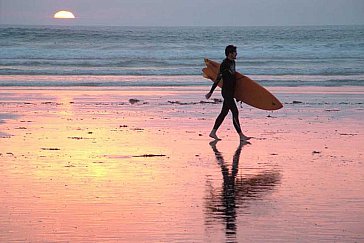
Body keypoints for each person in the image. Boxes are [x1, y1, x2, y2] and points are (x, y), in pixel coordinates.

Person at [205, 45, 250, 141]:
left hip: (231, 92)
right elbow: (218, 78)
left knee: (223, 113)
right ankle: (241, 135)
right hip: (226, 92)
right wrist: (210, 92)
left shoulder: (233, 62)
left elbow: (234, 79)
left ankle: (213, 132)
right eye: (235, 52)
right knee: (235, 112)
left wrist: (238, 94)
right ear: (230, 53)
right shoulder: (224, 64)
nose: (236, 54)